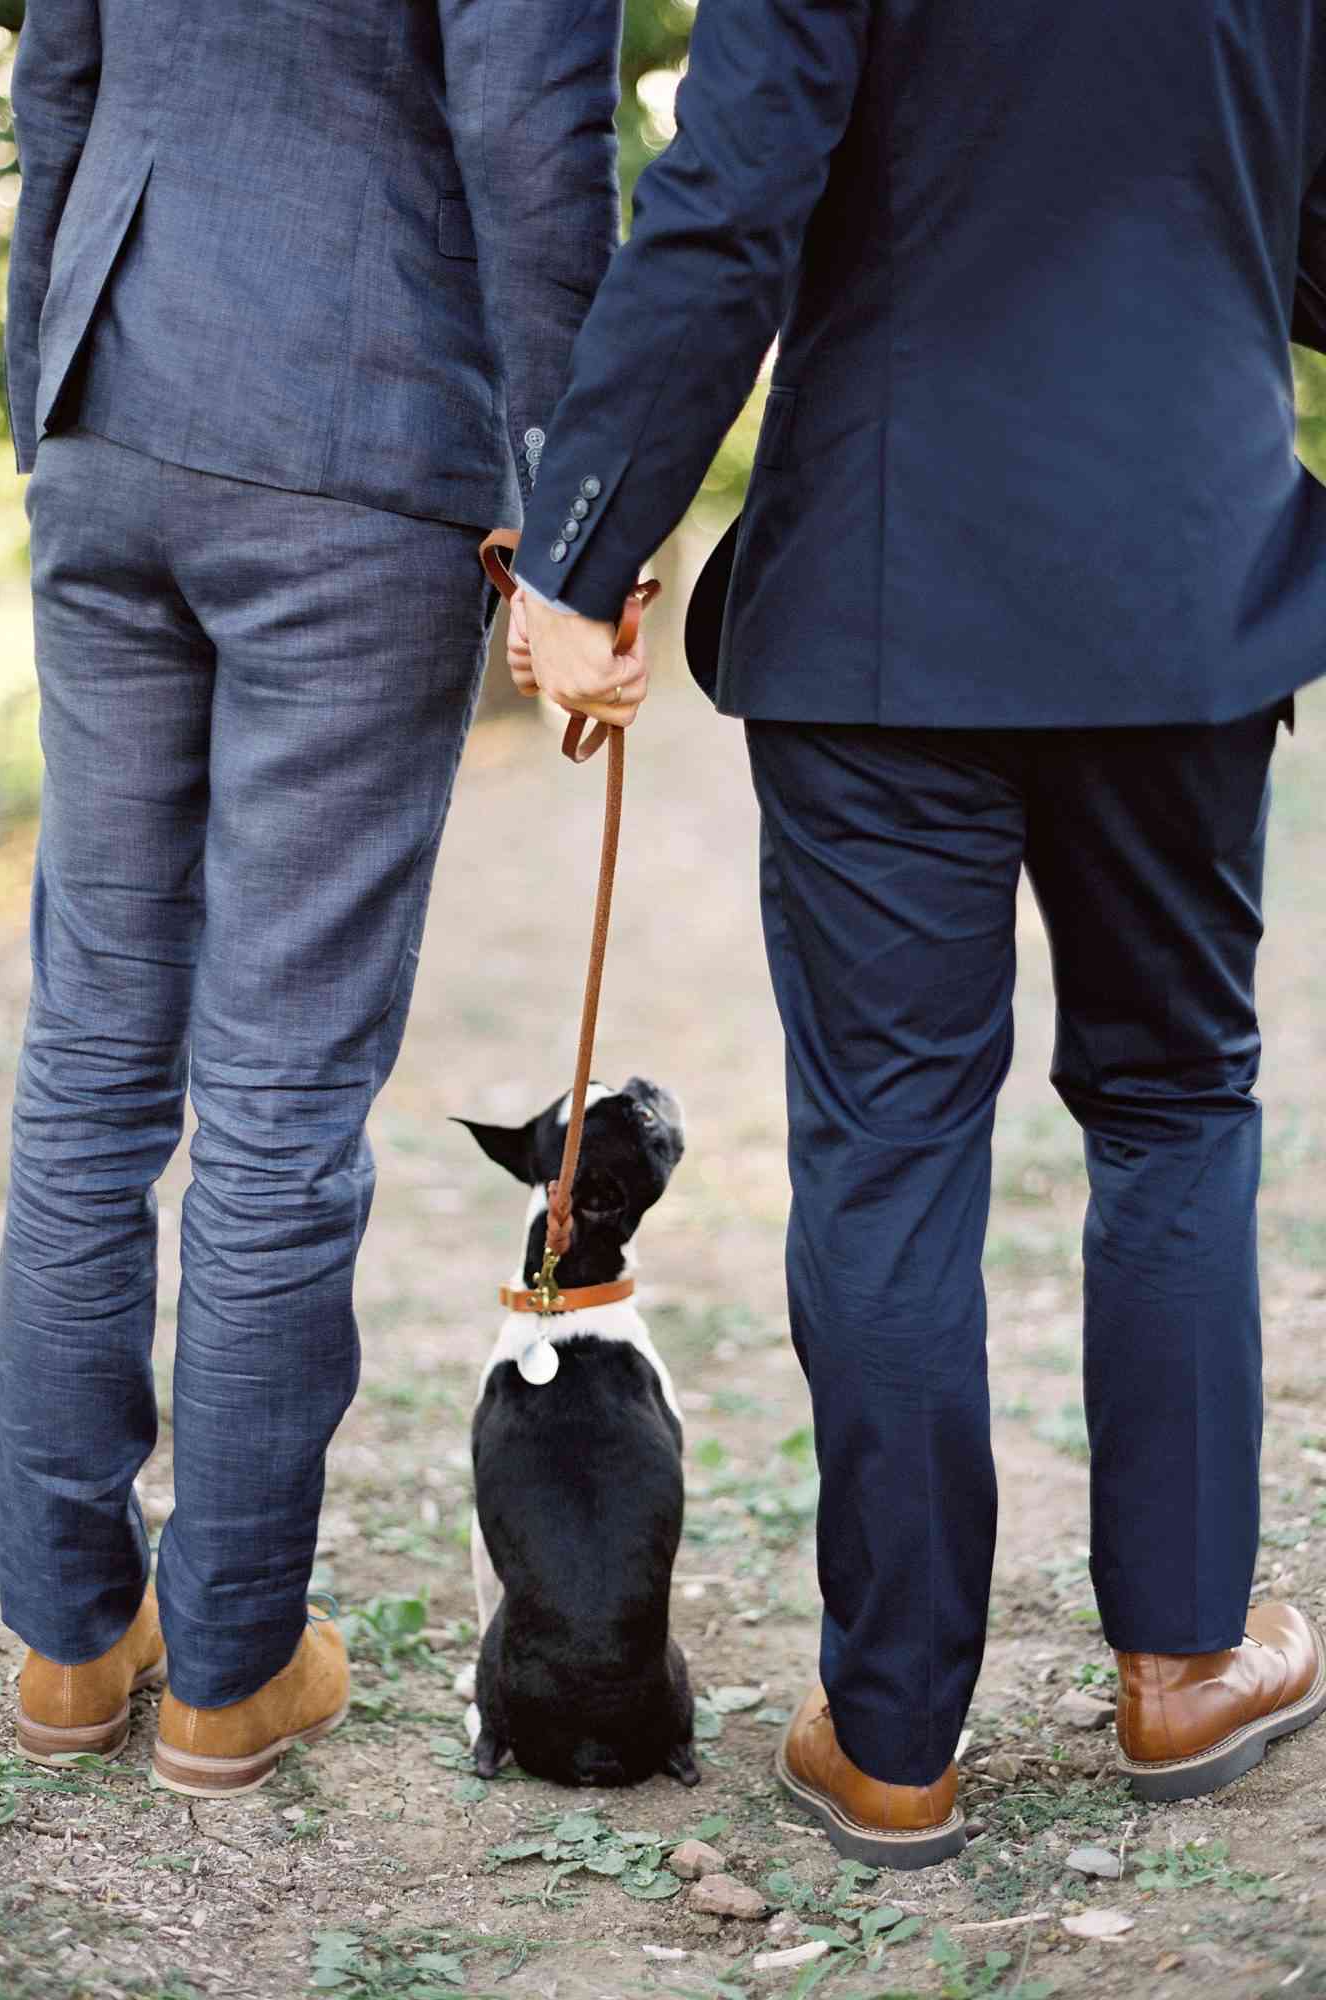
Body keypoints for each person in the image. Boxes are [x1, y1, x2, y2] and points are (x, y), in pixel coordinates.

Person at [511, 0, 1326, 1868]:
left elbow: (732, 202)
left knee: (887, 1153)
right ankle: (1188, 1663)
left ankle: (891, 1743)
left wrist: (583, 549)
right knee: (1181, 1099)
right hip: (1187, 580)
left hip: (888, 589)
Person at [0, 0, 626, 1797]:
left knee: (93, 1059)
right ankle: (228, 1672)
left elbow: (62, 80)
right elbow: (531, 148)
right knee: (277, 1095)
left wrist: (58, 384)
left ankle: (66, 1642)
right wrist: (581, 514)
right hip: (352, 430)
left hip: (110, 402)